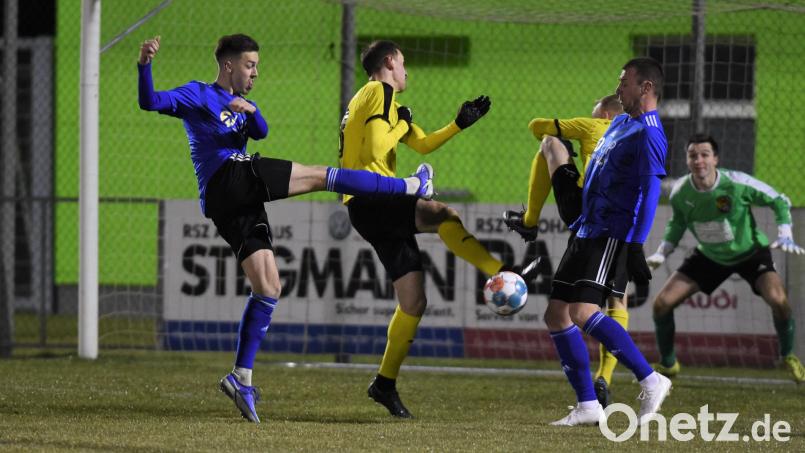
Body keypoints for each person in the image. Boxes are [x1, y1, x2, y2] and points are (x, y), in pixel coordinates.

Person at [137, 34, 438, 424]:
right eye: (249, 65)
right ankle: (410, 187)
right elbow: (150, 101)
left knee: (268, 286)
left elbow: (261, 129)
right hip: (228, 177)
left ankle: (240, 377)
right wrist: (145, 66)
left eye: (257, 66)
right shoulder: (197, 94)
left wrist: (248, 110)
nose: (255, 72)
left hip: (234, 203)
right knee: (321, 176)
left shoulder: (244, 102)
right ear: (228, 65)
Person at [340, 40, 538, 419]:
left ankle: (384, 383)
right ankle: (499, 271)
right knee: (441, 213)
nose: (406, 71)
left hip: (366, 204)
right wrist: (399, 123)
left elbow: (424, 144)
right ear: (389, 62)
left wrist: (458, 124)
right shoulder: (378, 91)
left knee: (413, 301)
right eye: (404, 63)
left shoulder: (375, 100)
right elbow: (382, 145)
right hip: (371, 197)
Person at [543, 57, 671, 427]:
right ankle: (587, 405)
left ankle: (651, 378)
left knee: (583, 312)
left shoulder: (650, 133)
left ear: (646, 88)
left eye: (624, 82)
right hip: (586, 229)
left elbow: (649, 194)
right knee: (556, 314)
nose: (619, 88)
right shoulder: (619, 123)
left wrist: (634, 244)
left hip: (612, 233)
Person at [647, 133, 805, 384]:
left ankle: (787, 355)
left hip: (750, 253)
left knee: (779, 300)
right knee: (661, 304)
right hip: (709, 256)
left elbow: (778, 200)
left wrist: (785, 232)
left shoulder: (737, 182)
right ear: (687, 161)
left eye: (704, 155)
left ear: (715, 159)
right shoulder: (680, 192)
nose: (699, 160)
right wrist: (661, 252)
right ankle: (668, 363)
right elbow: (677, 223)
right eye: (693, 155)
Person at [503, 95, 625, 407]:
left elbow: (537, 126)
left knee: (550, 142)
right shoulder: (639, 136)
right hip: (622, 222)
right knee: (612, 300)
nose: (592, 116)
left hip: (584, 213)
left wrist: (577, 128)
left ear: (607, 114)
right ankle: (602, 383)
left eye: (596, 112)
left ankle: (529, 220)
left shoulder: (596, 125)